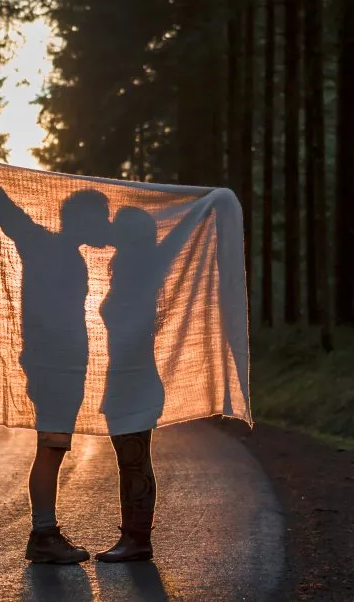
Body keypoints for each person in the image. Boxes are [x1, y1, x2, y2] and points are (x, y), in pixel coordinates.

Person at [0, 165, 111, 564]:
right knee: (51, 447)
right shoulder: (44, 244)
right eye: (101, 218)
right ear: (83, 221)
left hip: (61, 365)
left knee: (55, 447)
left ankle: (44, 532)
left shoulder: (62, 249)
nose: (106, 226)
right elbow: (8, 213)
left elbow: (114, 237)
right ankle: (43, 535)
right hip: (53, 367)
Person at [94, 205, 202, 562]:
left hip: (136, 380)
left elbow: (176, 241)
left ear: (130, 235)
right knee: (132, 461)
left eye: (118, 227)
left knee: (134, 461)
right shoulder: (127, 271)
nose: (110, 230)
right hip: (123, 379)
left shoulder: (143, 272)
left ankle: (137, 540)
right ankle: (134, 537)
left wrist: (206, 205)